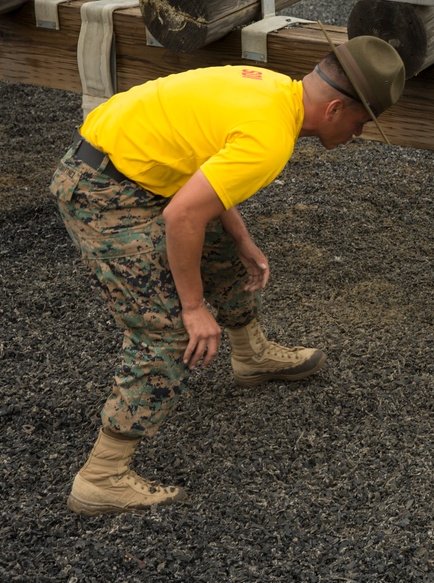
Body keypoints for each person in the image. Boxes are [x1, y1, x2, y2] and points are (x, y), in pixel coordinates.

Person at [50, 35, 405, 516]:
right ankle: (102, 476)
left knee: (221, 244)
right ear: (336, 108)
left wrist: (240, 238)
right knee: (167, 331)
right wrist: (194, 308)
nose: (359, 133)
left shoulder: (274, 88)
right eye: (362, 123)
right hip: (103, 192)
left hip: (136, 168)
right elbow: (181, 218)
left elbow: (205, 169)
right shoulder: (270, 139)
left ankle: (250, 355)